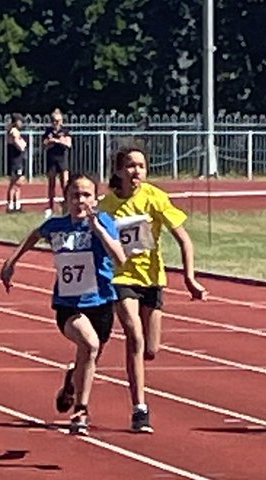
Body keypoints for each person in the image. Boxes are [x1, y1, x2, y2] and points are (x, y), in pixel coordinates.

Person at [0, 173, 125, 436]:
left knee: (90, 356)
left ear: (96, 199)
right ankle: (81, 411)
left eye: (86, 195)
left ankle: (71, 383)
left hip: (101, 302)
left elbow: (120, 259)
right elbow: (34, 235)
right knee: (89, 345)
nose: (81, 201)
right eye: (75, 195)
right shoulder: (56, 226)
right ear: (66, 199)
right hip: (68, 305)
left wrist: (98, 231)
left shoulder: (104, 222)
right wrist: (11, 263)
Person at [98, 144, 207, 433]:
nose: (137, 171)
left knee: (150, 349)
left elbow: (184, 239)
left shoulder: (155, 198)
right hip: (121, 279)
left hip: (152, 279)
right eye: (131, 165)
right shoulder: (106, 206)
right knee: (133, 337)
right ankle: (140, 409)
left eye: (142, 166)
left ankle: (77, 374)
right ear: (119, 170)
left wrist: (189, 278)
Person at [43, 109, 72, 217]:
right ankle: (50, 206)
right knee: (51, 185)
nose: (56, 123)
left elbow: (68, 144)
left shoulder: (65, 131)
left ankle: (67, 205)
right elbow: (45, 144)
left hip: (62, 160)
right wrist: (52, 141)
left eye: (58, 121)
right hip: (51, 159)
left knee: (65, 184)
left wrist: (56, 141)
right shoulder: (48, 131)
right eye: (54, 121)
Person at [5, 114, 27, 213]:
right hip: (15, 160)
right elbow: (20, 145)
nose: (21, 123)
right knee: (15, 183)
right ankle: (11, 205)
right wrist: (22, 143)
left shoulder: (15, 132)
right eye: (20, 121)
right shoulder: (13, 131)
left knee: (18, 183)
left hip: (18, 159)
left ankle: (17, 205)